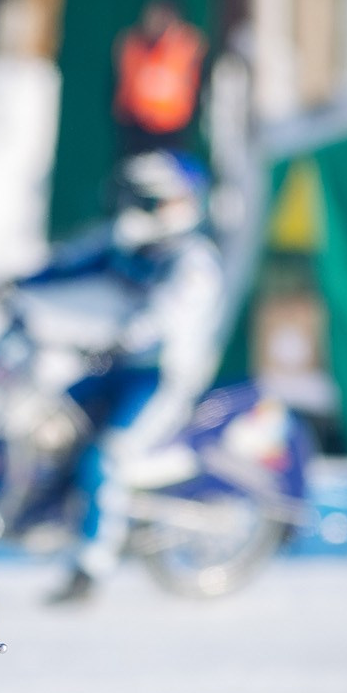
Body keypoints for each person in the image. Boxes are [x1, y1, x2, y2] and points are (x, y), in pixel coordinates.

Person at [36, 150, 224, 604]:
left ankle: (91, 566)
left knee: (105, 458)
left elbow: (167, 316)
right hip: (117, 367)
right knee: (49, 417)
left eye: (144, 202)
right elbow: (72, 262)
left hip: (162, 378)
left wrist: (124, 338)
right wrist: (20, 283)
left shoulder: (193, 262)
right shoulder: (132, 246)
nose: (130, 213)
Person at [113, 0, 207, 157]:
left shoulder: (188, 46)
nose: (158, 21)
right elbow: (122, 97)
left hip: (174, 137)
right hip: (136, 135)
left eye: (165, 15)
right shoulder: (132, 44)